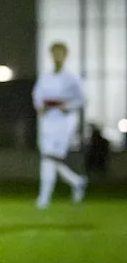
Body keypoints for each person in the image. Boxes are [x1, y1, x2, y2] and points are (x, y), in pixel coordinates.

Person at [32, 42, 87, 208]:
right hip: (48, 120)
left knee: (51, 158)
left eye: (59, 54)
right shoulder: (45, 77)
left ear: (65, 56)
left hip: (64, 122)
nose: (56, 57)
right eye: (54, 54)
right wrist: (40, 106)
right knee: (48, 157)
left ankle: (44, 198)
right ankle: (76, 181)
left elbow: (81, 99)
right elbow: (37, 95)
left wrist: (67, 106)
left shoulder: (71, 78)